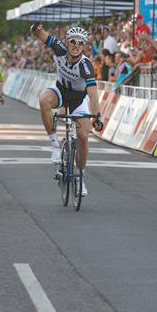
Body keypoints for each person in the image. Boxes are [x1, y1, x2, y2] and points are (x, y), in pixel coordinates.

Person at [30, 24, 103, 197]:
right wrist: (35, 29)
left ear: (84, 46)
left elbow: (92, 95)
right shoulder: (60, 49)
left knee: (84, 136)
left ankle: (80, 177)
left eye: (80, 42)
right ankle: (55, 145)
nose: (76, 45)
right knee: (43, 99)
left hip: (78, 100)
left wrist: (97, 116)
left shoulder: (86, 66)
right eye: (72, 41)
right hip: (60, 92)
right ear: (67, 42)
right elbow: (43, 35)